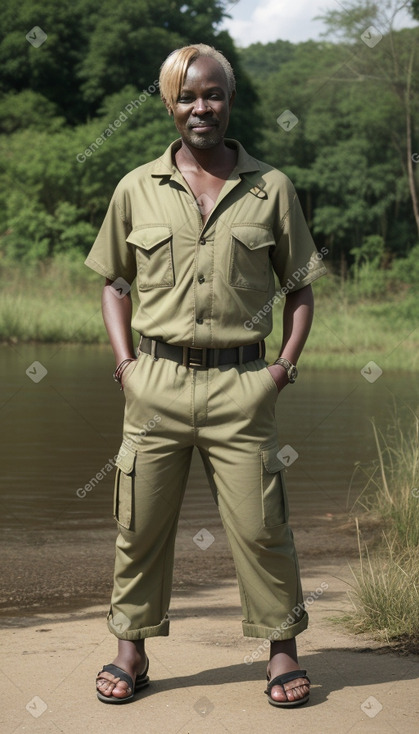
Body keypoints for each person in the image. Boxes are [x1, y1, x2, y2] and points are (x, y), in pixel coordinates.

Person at [85, 43, 327, 708]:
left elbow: (300, 288)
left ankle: (280, 651)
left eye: (213, 94)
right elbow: (113, 282)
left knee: (261, 527)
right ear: (169, 105)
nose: (201, 107)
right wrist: (126, 365)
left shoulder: (270, 187)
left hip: (243, 387)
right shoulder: (136, 187)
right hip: (154, 384)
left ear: (230, 101)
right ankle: (130, 652)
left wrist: (280, 368)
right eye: (187, 96)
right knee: (138, 525)